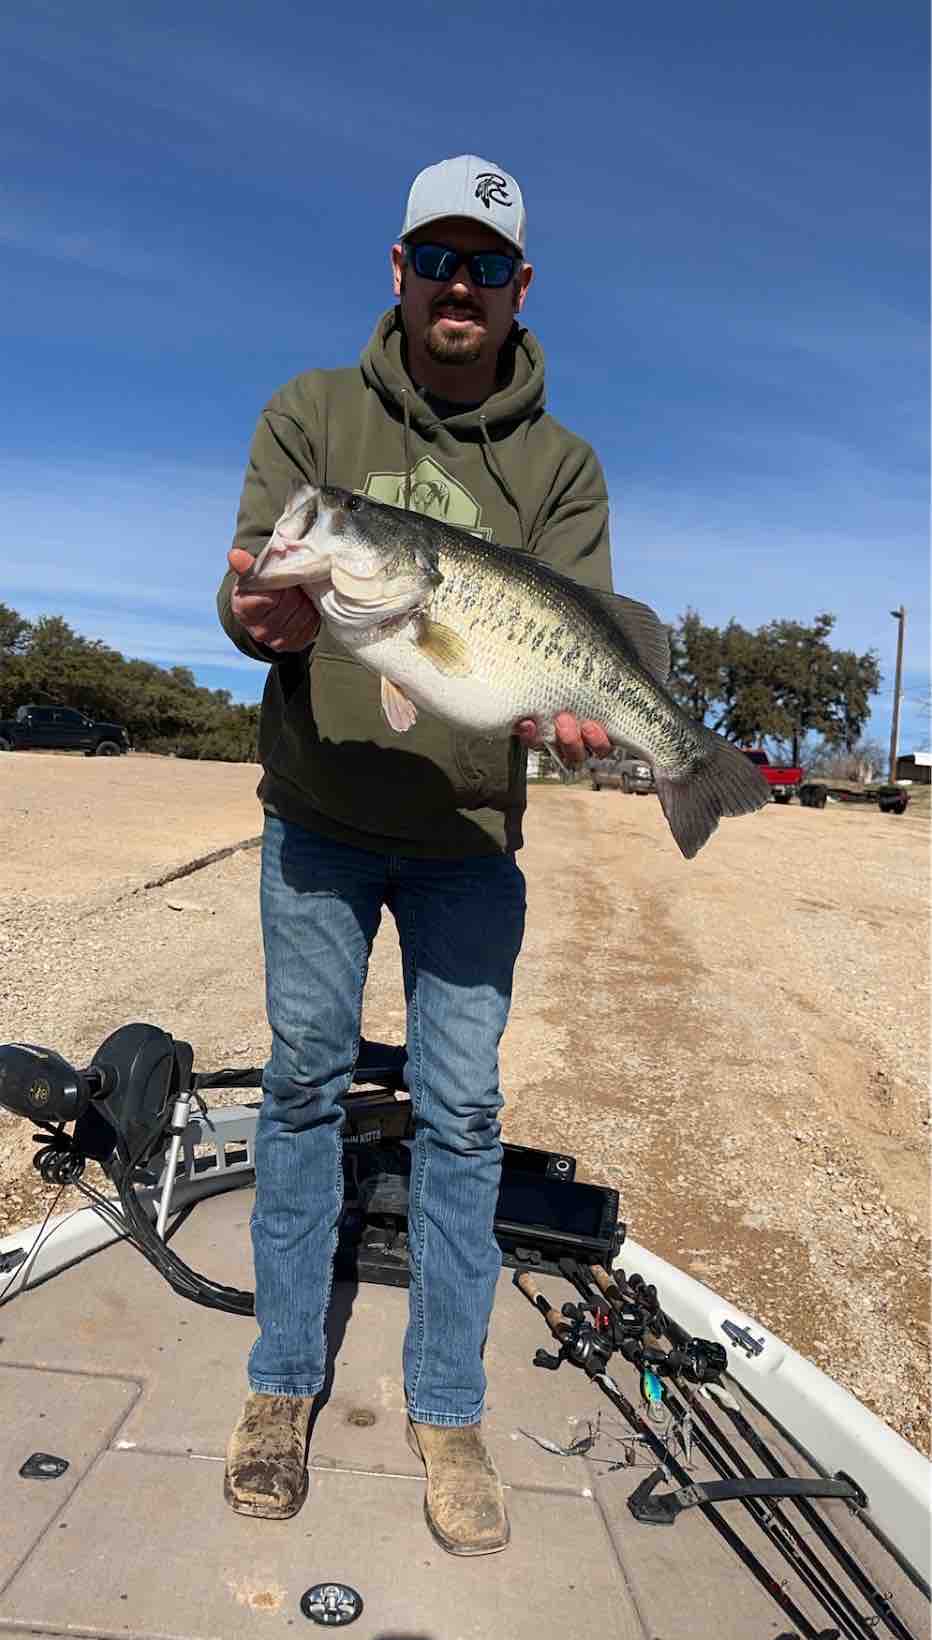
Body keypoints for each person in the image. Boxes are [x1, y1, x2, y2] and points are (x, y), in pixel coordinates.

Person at [216, 154, 613, 1555]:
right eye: (438, 258)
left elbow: (565, 648)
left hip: (464, 847)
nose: (461, 285)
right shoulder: (313, 412)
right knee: (304, 1092)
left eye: (488, 265)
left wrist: (578, 723)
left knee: (459, 1119)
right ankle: (280, 1387)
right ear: (397, 270)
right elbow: (253, 577)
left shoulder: (560, 467)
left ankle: (447, 1404)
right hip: (317, 826)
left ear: (518, 290)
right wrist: (261, 614)